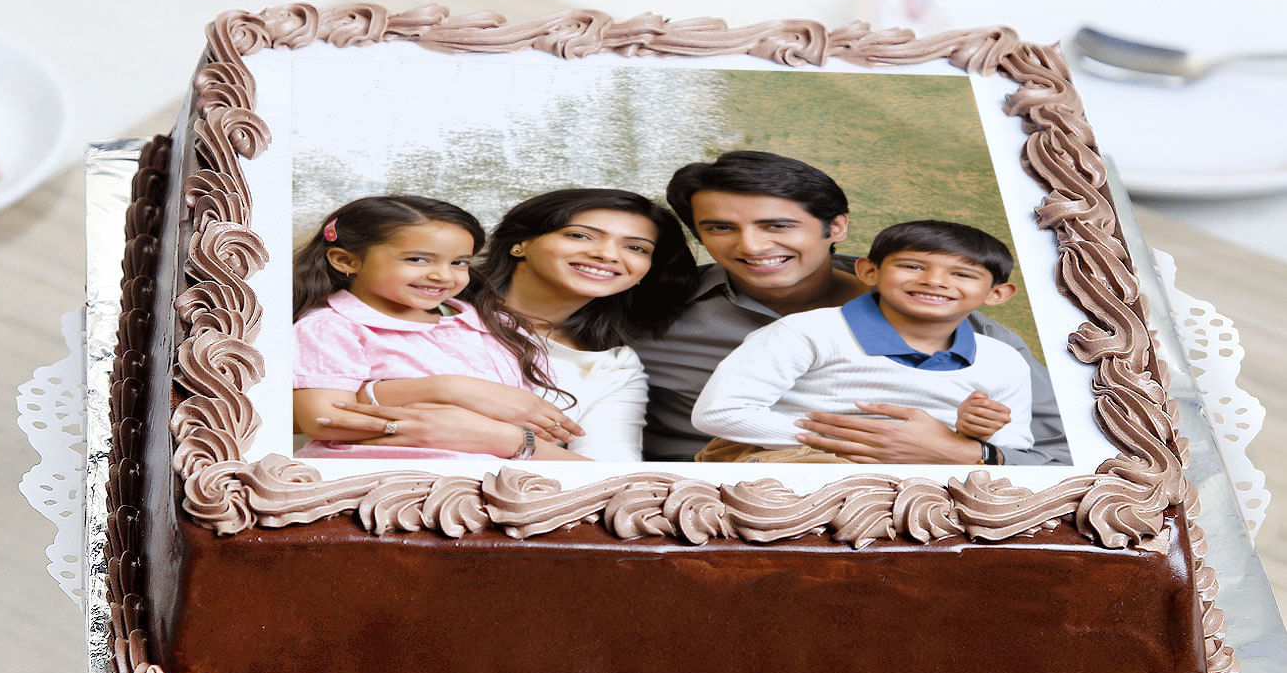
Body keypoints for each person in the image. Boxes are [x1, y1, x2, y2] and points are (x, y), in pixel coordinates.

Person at [633, 150, 1070, 465]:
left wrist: (961, 451)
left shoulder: (979, 338)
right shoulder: (647, 311)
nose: (751, 245)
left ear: (836, 226)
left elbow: (1060, 453)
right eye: (721, 228)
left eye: (778, 225)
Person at [311, 189, 699, 462]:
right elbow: (314, 403)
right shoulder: (410, 303)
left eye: (636, 248)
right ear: (520, 243)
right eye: (580, 235)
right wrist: (454, 389)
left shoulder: (613, 364)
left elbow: (611, 478)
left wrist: (506, 439)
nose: (606, 254)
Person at [691, 219, 1031, 463]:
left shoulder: (1003, 360)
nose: (934, 281)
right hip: (783, 455)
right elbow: (718, 413)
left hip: (920, 471)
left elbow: (1013, 447)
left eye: (962, 274)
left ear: (997, 293)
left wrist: (974, 434)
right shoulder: (806, 331)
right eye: (912, 266)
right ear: (869, 271)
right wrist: (864, 444)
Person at [292, 194, 564, 460]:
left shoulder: (494, 326)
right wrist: (440, 393)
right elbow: (324, 418)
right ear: (346, 261)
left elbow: (535, 422)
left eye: (459, 263)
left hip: (499, 480)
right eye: (418, 259)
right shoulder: (332, 327)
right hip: (380, 481)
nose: (443, 275)